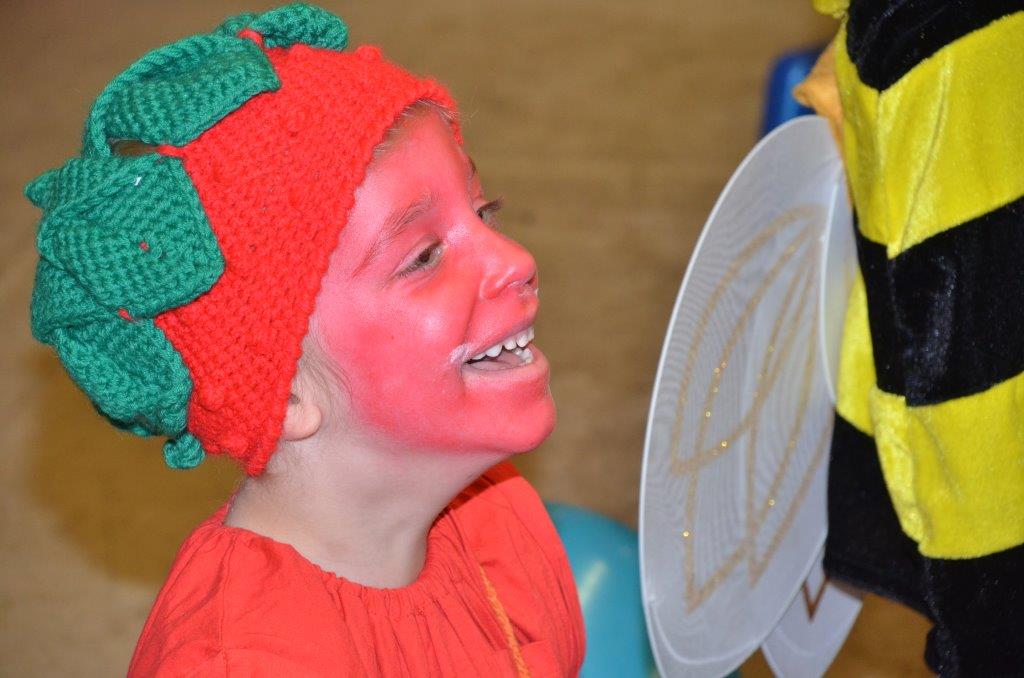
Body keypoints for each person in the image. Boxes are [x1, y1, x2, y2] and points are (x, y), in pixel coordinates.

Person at [26, 4, 585, 675]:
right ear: (286, 391)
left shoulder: (496, 520)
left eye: (483, 211)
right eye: (425, 256)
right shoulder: (239, 663)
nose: (516, 259)